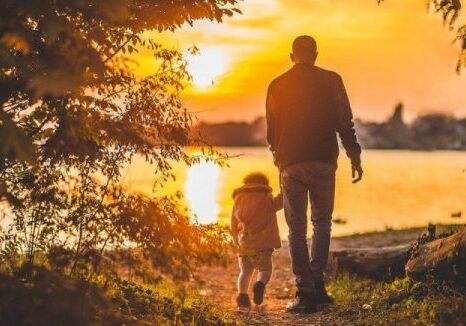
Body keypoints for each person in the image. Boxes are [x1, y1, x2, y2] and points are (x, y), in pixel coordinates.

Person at [266, 35, 363, 314]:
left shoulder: (277, 84)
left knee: (296, 229)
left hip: (291, 164)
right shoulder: (332, 80)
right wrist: (354, 155)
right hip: (323, 160)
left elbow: (271, 130)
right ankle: (318, 285)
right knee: (322, 223)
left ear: (291, 55)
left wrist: (278, 157)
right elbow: (345, 121)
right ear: (316, 54)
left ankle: (305, 291)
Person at [230, 172, 283, 312]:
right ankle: (260, 284)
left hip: (244, 243)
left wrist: (236, 239)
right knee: (265, 269)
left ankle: (242, 301)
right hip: (263, 244)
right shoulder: (265, 197)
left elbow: (233, 223)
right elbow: (280, 202)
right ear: (264, 184)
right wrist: (284, 188)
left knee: (245, 272)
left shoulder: (238, 199)